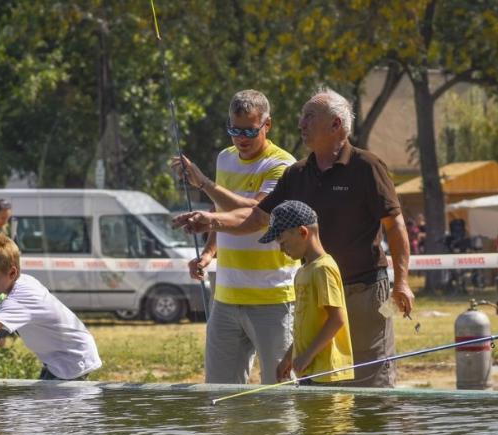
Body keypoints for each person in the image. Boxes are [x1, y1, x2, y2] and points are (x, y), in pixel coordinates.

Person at [173, 87, 414, 388]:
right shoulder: (298, 174)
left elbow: (395, 226)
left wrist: (402, 282)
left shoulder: (367, 167)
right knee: (318, 385)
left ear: (336, 124)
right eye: (302, 117)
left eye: (309, 117)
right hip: (313, 292)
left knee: (370, 385)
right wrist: (212, 222)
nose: (301, 124)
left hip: (361, 291)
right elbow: (257, 217)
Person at [169, 89, 298, 384]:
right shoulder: (225, 159)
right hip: (226, 298)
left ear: (267, 125)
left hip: (272, 299)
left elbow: (256, 216)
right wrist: (208, 252)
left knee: (278, 392)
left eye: (249, 131)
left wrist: (203, 185)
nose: (241, 138)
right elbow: (222, 209)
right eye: (233, 130)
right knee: (220, 392)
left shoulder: (283, 165)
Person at [0, 233, 102, 380]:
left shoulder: (23, 297)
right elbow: (6, 298)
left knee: (56, 410)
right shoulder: (23, 280)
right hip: (61, 357)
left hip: (72, 359)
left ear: (12, 272)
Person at [263, 201, 353, 385]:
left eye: (283, 241)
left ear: (303, 232)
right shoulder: (302, 272)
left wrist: (307, 356)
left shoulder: (323, 269)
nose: (281, 249)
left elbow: (337, 319)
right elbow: (304, 326)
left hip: (327, 373)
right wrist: (290, 357)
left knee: (325, 415)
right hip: (309, 370)